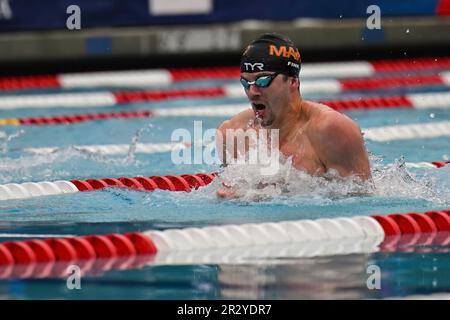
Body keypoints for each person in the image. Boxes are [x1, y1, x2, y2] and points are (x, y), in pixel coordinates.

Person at [216, 33, 371, 198]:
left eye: (262, 81)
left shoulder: (331, 130)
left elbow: (360, 204)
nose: (252, 92)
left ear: (292, 81)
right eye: (245, 82)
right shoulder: (233, 133)